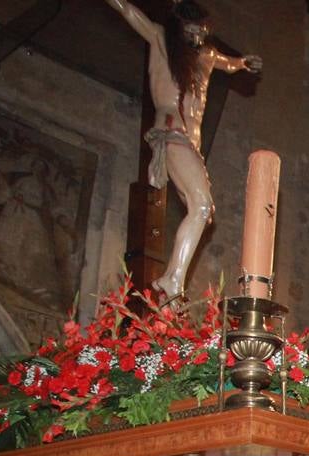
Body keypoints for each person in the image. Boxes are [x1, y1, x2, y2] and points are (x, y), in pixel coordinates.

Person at [106, 1, 262, 301]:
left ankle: (172, 280)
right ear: (179, 27)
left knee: (203, 211)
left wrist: (244, 63)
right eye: (191, 30)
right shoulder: (161, 40)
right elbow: (128, 11)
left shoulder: (206, 55)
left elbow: (229, 63)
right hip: (172, 131)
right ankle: (173, 280)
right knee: (201, 206)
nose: (196, 36)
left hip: (192, 144)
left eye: (201, 31)